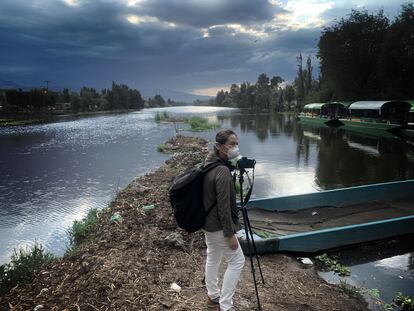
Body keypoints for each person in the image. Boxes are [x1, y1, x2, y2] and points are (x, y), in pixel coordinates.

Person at [202, 129, 245, 311]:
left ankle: (213, 296)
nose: (235, 147)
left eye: (237, 143)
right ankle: (226, 306)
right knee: (237, 261)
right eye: (232, 144)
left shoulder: (208, 164)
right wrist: (230, 234)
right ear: (219, 146)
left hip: (207, 225)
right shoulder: (222, 171)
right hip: (219, 227)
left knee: (213, 256)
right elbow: (224, 207)